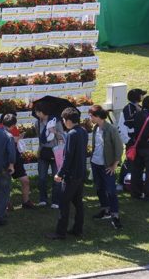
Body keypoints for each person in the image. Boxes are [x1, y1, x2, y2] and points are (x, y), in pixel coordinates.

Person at [47, 107, 88, 240]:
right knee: (78, 203)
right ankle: (78, 229)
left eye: (64, 120)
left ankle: (60, 232)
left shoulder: (72, 134)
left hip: (71, 175)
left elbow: (68, 157)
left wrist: (60, 173)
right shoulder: (83, 131)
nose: (64, 122)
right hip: (80, 173)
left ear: (69, 120)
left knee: (64, 203)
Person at [88, 105, 124, 230]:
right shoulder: (95, 128)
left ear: (98, 116)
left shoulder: (111, 129)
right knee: (99, 189)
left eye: (91, 116)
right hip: (95, 163)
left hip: (107, 166)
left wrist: (114, 165)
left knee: (111, 191)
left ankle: (115, 216)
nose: (90, 118)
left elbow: (119, 148)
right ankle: (105, 210)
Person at [0, 113, 34, 210]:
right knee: (6, 183)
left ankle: (26, 201)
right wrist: (17, 138)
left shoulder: (14, 128)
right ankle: (7, 203)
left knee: (25, 180)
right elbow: (8, 139)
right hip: (6, 160)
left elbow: (15, 139)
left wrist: (18, 139)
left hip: (16, 158)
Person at [34, 103, 64, 209]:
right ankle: (43, 199)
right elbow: (39, 138)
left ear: (42, 112)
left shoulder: (56, 122)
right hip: (43, 152)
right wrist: (39, 149)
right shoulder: (38, 123)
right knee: (42, 177)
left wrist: (54, 132)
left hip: (55, 152)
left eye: (37, 112)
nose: (36, 114)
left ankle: (56, 200)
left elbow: (63, 137)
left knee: (57, 177)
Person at [117, 88, 146, 190]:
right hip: (131, 141)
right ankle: (121, 182)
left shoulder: (139, 107)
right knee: (129, 161)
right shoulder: (128, 108)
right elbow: (129, 123)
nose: (143, 97)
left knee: (138, 162)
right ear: (137, 97)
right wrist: (129, 141)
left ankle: (135, 182)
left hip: (139, 140)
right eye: (142, 95)